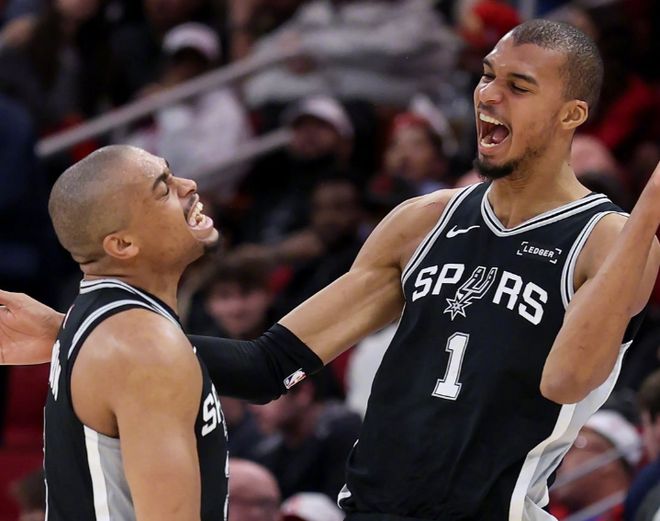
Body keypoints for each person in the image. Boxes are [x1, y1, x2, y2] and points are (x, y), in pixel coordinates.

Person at [2, 19, 660, 520]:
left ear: (573, 114)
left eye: (518, 87)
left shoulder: (609, 241)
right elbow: (267, 367)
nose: (489, 96)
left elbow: (565, 378)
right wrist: (76, 331)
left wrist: (650, 206)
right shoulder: (423, 222)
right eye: (487, 75)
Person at [30, 145, 229, 519]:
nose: (189, 185)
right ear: (122, 244)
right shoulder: (143, 347)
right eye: (164, 189)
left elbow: (269, 361)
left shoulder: (97, 316)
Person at [550, 409, 642, 520]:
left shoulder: (646, 513)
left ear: (608, 461)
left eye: (571, 446)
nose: (558, 459)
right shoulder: (549, 513)